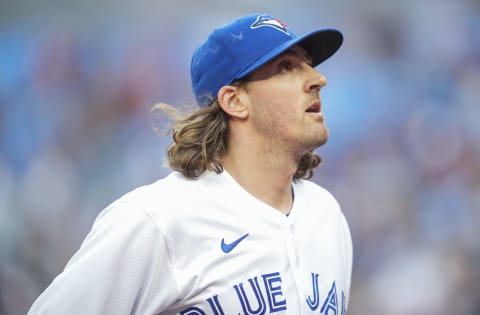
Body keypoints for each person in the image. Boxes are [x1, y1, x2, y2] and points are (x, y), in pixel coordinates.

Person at [29, 13, 352, 314]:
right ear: (234, 101)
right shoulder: (157, 220)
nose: (318, 79)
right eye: (286, 67)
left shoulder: (326, 215)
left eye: (309, 65)